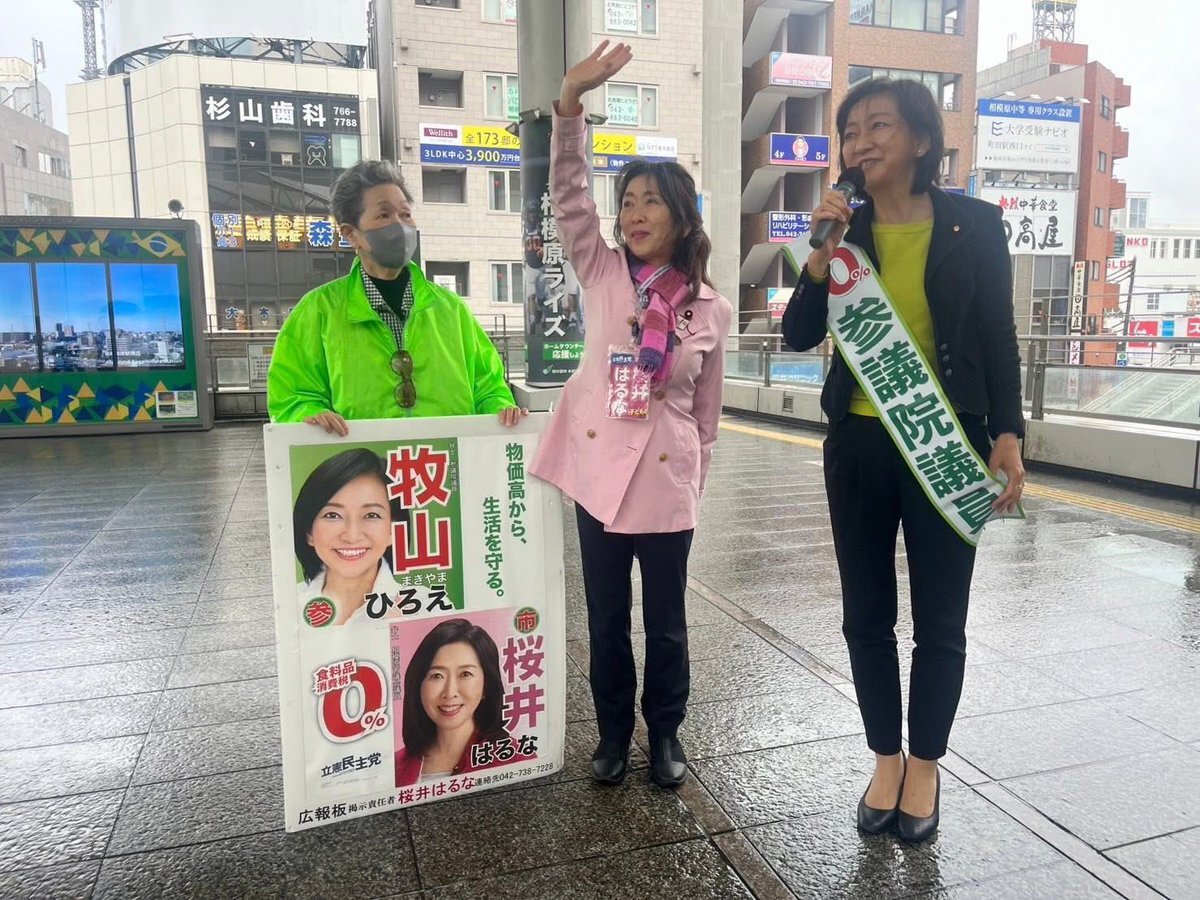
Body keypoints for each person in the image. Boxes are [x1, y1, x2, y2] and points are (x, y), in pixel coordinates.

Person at [782, 78, 1025, 842]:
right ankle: (884, 758)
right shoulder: (842, 233)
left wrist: (1009, 433)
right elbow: (796, 334)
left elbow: (998, 334)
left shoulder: (975, 225)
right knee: (866, 615)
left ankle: (925, 766)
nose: (860, 143)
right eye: (850, 131)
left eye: (878, 126)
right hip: (858, 444)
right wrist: (820, 254)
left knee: (942, 621)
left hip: (945, 443)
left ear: (921, 139)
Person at [530, 42, 733, 789]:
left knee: (668, 625)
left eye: (650, 201)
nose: (633, 213)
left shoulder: (709, 307)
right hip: (599, 481)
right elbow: (569, 199)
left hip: (667, 484)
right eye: (628, 201)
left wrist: (693, 484)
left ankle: (666, 734)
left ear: (682, 216)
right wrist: (569, 105)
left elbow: (706, 416)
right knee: (606, 619)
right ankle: (613, 734)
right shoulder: (603, 271)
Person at [267, 159, 525, 434]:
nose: (400, 225)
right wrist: (311, 416)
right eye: (384, 215)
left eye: (405, 214)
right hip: (364, 460)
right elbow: (292, 396)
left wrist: (501, 409)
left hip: (442, 458)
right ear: (351, 234)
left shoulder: (451, 309)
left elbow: (488, 385)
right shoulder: (318, 311)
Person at [393, 618, 530, 786]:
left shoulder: (516, 759)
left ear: (486, 685)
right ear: (418, 686)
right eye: (437, 676)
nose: (450, 692)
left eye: (465, 674)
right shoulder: (394, 767)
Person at [292, 448, 405, 627]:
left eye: (371, 515)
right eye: (332, 515)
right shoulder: (290, 605)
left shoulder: (428, 606)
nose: (352, 536)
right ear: (309, 532)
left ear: (394, 530)